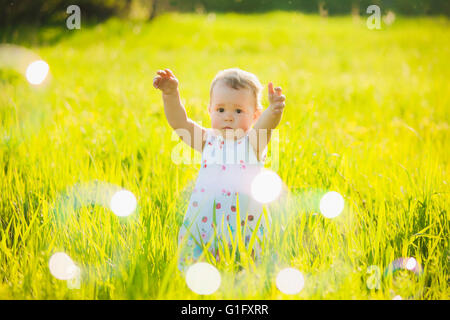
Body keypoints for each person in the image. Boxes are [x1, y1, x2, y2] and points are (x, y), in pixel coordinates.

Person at [153, 67, 286, 271]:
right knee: (196, 266)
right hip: (203, 223)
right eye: (221, 109)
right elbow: (180, 122)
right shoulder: (208, 140)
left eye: (238, 111)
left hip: (243, 226)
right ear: (210, 110)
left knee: (243, 267)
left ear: (255, 115)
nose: (228, 117)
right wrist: (171, 94)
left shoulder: (252, 143)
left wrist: (273, 111)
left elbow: (265, 127)